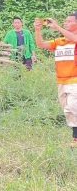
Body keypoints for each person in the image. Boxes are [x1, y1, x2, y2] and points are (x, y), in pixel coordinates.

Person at [34, 13, 77, 148]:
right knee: (67, 109)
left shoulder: (74, 39)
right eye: (65, 21)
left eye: (69, 21)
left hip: (74, 80)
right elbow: (41, 44)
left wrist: (57, 27)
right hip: (61, 81)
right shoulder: (59, 42)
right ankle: (75, 137)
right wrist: (38, 30)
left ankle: (75, 138)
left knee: (72, 107)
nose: (66, 23)